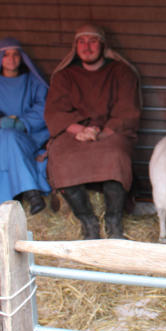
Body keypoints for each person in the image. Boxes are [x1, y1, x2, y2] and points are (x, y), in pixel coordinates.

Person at [44, 24, 141, 239]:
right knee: (60, 156)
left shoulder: (121, 72)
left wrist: (103, 132)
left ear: (103, 45)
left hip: (111, 131)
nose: (87, 47)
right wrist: (79, 130)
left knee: (115, 156)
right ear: (75, 47)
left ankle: (114, 222)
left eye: (93, 41)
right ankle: (88, 222)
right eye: (82, 41)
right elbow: (54, 110)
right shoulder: (64, 76)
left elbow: (127, 109)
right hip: (75, 132)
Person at [0, 37, 51, 214]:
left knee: (10, 139)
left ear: (21, 58)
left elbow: (45, 107)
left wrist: (23, 122)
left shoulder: (33, 83)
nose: (11, 59)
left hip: (28, 136)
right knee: (7, 136)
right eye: (6, 55)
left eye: (15, 55)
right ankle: (32, 193)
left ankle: (9, 199)